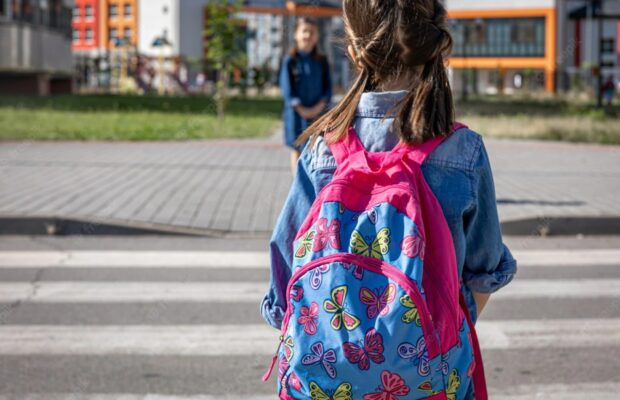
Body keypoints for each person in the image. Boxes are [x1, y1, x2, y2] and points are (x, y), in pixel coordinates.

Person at [261, 1, 516, 398]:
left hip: (325, 378)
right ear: (438, 48)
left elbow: (284, 265)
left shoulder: (323, 148)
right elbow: (484, 270)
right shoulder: (462, 151)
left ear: (353, 50)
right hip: (430, 377)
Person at [279, 17, 333, 174]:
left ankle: (314, 183)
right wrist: (302, 110)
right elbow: (287, 89)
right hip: (296, 115)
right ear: (296, 34)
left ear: (317, 36)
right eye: (304, 31)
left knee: (317, 148)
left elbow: (327, 89)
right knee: (297, 149)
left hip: (318, 115)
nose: (308, 35)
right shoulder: (290, 61)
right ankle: (298, 185)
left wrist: (318, 108)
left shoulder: (322, 61)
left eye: (312, 32)